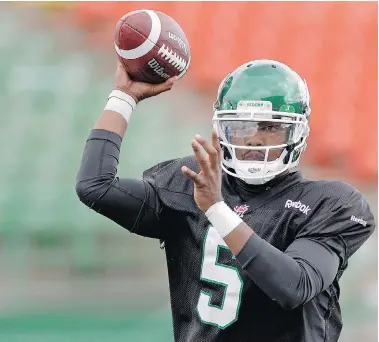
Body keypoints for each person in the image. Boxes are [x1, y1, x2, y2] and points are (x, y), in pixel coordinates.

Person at [76, 59, 375, 342]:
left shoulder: (329, 202)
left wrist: (217, 209)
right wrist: (123, 97)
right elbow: (95, 186)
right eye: (242, 126)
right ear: (222, 128)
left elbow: (294, 287)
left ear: (298, 132)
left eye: (270, 127)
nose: (254, 139)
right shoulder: (190, 182)